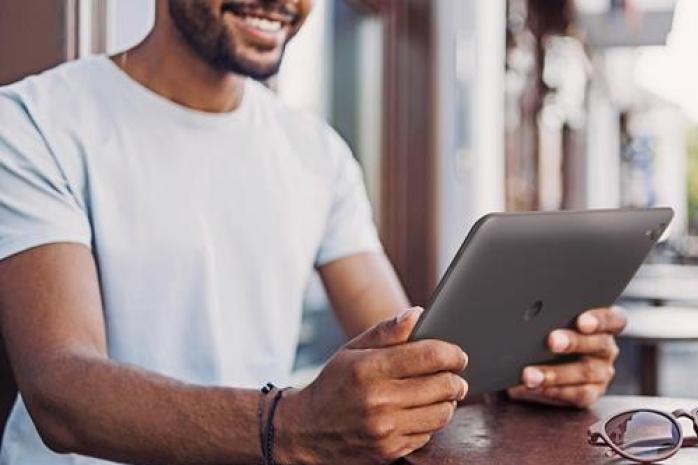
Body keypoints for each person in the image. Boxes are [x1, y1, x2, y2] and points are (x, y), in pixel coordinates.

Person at [0, 1, 626, 464]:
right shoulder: (34, 123)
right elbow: (61, 389)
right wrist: (291, 425)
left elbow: (407, 344)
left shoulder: (316, 152)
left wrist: (530, 373)